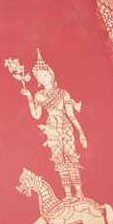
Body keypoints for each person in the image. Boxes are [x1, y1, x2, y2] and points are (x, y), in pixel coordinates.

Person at [20, 50, 87, 198]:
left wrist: (81, 133)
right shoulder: (39, 95)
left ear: (51, 74)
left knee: (71, 157)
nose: (44, 77)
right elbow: (36, 116)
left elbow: (71, 114)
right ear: (37, 79)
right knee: (59, 158)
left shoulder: (63, 93)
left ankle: (79, 192)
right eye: (40, 76)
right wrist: (29, 97)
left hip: (66, 125)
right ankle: (68, 194)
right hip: (51, 128)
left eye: (46, 74)